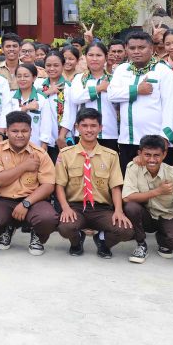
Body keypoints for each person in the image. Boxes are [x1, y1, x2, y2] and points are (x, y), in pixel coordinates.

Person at [0, 111, 57, 255]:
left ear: (31, 131)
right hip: (3, 200)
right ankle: (6, 228)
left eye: (24, 131)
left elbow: (48, 185)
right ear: (6, 131)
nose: (20, 135)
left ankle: (37, 234)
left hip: (33, 201)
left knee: (48, 218)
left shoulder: (40, 154)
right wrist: (25, 166)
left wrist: (26, 203)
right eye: (15, 131)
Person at [55, 108, 133, 258]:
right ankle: (76, 241)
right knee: (65, 227)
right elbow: (59, 185)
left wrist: (118, 210)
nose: (89, 130)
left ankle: (103, 241)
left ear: (100, 128)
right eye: (84, 126)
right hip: (76, 207)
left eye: (93, 126)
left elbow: (115, 186)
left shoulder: (111, 155)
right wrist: (65, 208)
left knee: (126, 230)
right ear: (77, 128)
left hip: (102, 208)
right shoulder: (66, 154)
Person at [122, 135, 173, 264]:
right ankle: (141, 244)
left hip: (167, 216)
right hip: (146, 215)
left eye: (156, 155)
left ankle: (162, 240)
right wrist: (158, 191)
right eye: (147, 155)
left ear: (164, 155)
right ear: (139, 153)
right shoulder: (133, 167)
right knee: (131, 207)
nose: (152, 159)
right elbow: (127, 197)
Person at [108, 31, 173, 169]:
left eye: (141, 48)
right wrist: (137, 90)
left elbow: (171, 107)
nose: (136, 52)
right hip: (126, 140)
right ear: (126, 49)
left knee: (155, 184)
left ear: (151, 49)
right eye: (132, 48)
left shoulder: (163, 71)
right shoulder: (122, 70)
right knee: (129, 182)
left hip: (154, 141)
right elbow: (112, 94)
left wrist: (164, 139)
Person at [67, 42, 118, 150]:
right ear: (85, 57)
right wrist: (99, 88)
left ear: (106, 57)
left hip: (109, 133)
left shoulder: (114, 79)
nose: (94, 59)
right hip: (83, 133)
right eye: (90, 55)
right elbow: (76, 97)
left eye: (99, 55)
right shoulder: (79, 78)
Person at [0, 63, 50, 149]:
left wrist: (44, 145)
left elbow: (46, 125)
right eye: (19, 76)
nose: (22, 79)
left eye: (26, 76)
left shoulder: (42, 99)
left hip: (35, 144)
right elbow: (6, 118)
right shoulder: (10, 97)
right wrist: (25, 108)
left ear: (34, 78)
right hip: (13, 145)